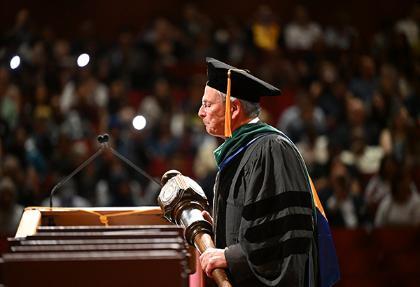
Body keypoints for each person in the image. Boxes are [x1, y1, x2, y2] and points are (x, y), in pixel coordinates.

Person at [197, 57, 339, 286]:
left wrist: (228, 256)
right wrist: (219, 227)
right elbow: (257, 222)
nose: (200, 113)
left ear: (234, 109)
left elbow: (280, 238)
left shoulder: (271, 149)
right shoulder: (240, 152)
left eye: (207, 105)